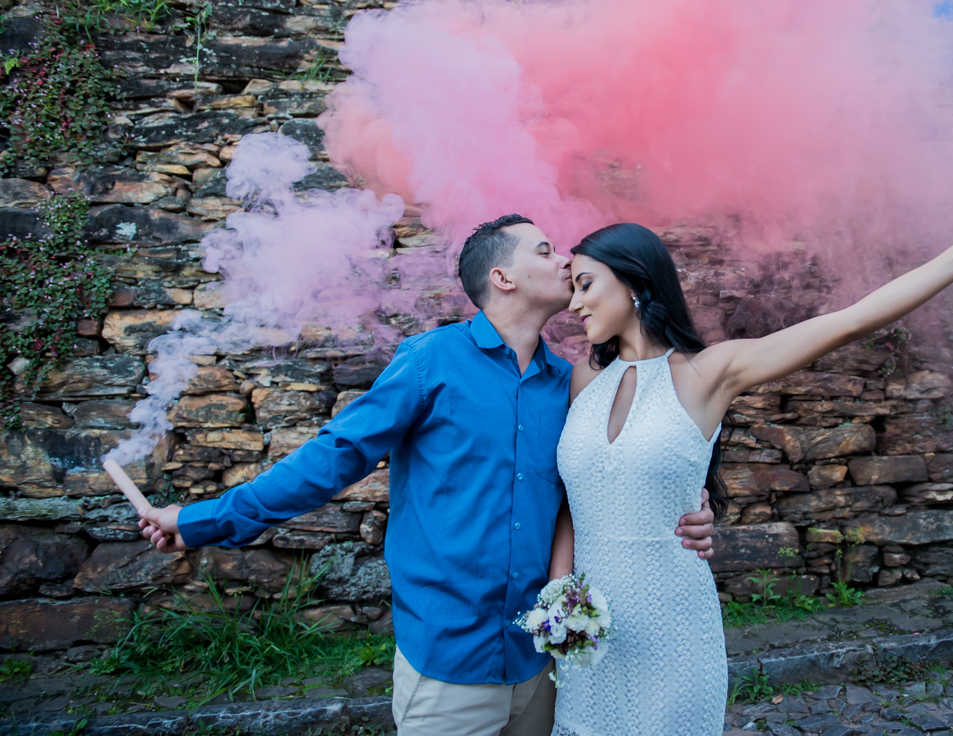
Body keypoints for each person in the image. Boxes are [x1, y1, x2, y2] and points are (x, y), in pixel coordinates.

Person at [137, 214, 717, 736]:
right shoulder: (428, 362)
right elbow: (329, 459)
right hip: (449, 663)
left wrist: (692, 508)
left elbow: (615, 470)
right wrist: (201, 520)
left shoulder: (568, 384)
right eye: (543, 250)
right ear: (503, 277)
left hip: (541, 663)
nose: (564, 260)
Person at [546, 194, 953, 735]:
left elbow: (847, 323)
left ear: (636, 282)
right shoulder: (582, 382)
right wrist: (559, 593)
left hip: (671, 622)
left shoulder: (709, 372)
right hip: (589, 629)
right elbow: (574, 498)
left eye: (586, 284)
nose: (574, 305)